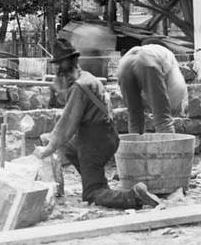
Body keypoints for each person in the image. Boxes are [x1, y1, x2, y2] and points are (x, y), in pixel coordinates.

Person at [33, 38, 160, 210]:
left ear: (63, 67)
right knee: (69, 147)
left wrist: (48, 149)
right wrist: (53, 140)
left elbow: (66, 125)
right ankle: (91, 176)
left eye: (58, 67)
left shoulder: (78, 87)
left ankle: (132, 196)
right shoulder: (88, 78)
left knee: (92, 193)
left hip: (95, 142)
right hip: (107, 136)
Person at [117, 41, 188, 134]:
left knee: (134, 118)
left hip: (123, 63)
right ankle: (168, 148)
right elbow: (177, 88)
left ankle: (136, 147)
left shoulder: (151, 49)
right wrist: (174, 109)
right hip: (147, 60)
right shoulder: (169, 56)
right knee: (163, 120)